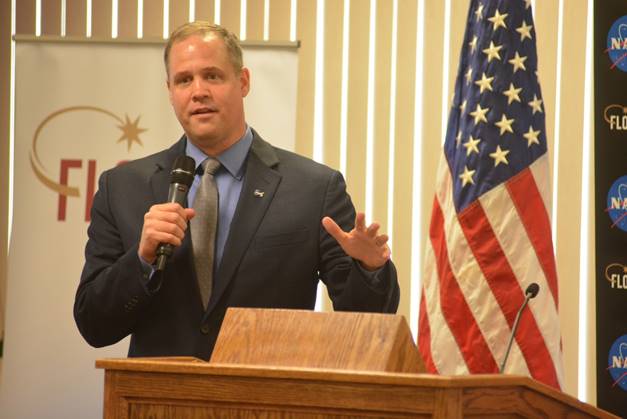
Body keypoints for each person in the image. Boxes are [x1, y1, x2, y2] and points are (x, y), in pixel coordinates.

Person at [74, 22, 399, 360]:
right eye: (184, 80)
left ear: (243, 82)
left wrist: (369, 268)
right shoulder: (123, 188)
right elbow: (94, 325)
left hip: (267, 401)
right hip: (160, 399)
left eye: (212, 76)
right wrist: (140, 260)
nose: (198, 91)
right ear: (170, 91)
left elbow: (366, 322)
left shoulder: (314, 188)